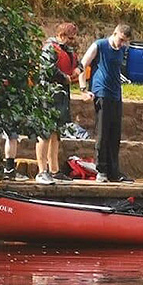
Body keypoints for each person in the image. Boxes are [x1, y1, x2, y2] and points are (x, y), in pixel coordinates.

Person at [37, 22, 93, 184]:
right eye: (70, 38)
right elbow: (47, 69)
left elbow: (78, 64)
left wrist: (77, 71)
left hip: (62, 97)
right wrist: (65, 78)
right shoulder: (49, 48)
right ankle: (42, 171)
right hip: (48, 96)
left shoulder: (67, 49)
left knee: (56, 134)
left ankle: (54, 170)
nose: (72, 41)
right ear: (61, 35)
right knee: (45, 133)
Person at [78, 24, 134, 183]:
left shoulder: (122, 50)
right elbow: (83, 64)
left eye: (125, 42)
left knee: (114, 134)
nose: (121, 44)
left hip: (116, 94)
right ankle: (101, 170)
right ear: (115, 33)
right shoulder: (100, 45)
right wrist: (83, 89)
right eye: (120, 40)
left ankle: (114, 171)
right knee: (102, 133)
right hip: (101, 93)